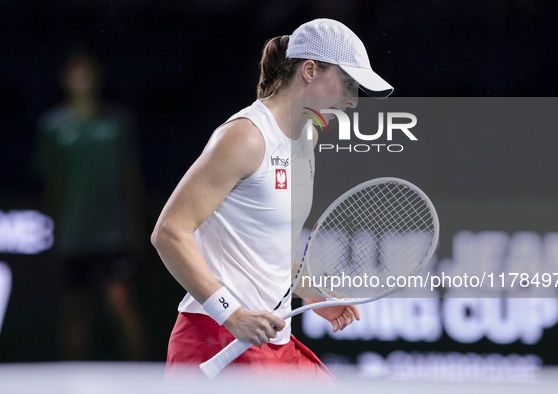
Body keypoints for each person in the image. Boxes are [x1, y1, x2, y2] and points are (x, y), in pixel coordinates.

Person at [151, 19, 393, 380]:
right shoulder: (246, 137)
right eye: (347, 84)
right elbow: (170, 232)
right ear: (310, 70)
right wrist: (231, 313)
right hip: (216, 338)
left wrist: (310, 292)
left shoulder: (305, 140)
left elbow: (271, 242)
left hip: (271, 339)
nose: (352, 102)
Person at [34, 51, 148, 361]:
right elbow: (53, 186)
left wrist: (135, 227)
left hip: (112, 233)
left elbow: (131, 178)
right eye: (75, 71)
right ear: (66, 79)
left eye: (88, 71)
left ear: (98, 78)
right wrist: (55, 231)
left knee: (121, 303)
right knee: (75, 311)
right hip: (74, 235)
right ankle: (69, 379)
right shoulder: (53, 126)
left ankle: (145, 378)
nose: (82, 77)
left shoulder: (117, 122)